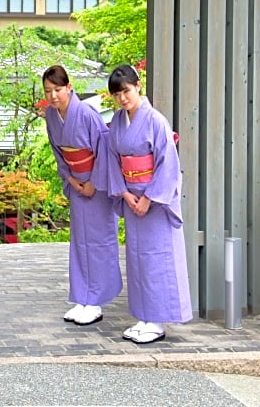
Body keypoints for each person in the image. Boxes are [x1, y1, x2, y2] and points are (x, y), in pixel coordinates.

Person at [105, 64, 192, 344]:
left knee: (157, 258)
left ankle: (157, 321)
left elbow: (168, 163)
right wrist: (126, 194)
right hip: (132, 198)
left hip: (154, 200)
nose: (122, 99)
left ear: (138, 86)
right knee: (137, 258)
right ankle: (143, 317)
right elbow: (112, 160)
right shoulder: (117, 122)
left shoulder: (156, 121)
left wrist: (148, 198)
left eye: (126, 91)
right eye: (117, 94)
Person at [42, 65, 122, 326]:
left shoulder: (86, 113)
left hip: (96, 186)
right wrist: (71, 179)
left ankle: (96, 301)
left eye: (57, 89)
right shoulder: (50, 116)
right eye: (48, 91)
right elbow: (58, 151)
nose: (53, 96)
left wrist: (93, 183)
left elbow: (104, 148)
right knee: (80, 242)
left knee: (99, 241)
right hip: (76, 182)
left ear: (69, 87)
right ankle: (82, 298)